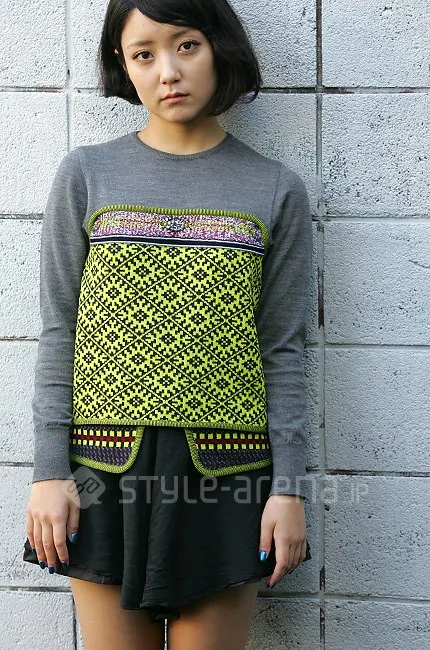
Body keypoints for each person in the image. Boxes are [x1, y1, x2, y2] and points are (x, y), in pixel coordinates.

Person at [22, 0, 313, 648]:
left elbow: (284, 351)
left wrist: (289, 489)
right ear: (123, 65)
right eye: (144, 54)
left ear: (218, 47)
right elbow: (60, 331)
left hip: (229, 476)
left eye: (186, 45)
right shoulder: (86, 175)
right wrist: (47, 472)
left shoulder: (274, 189)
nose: (168, 72)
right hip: (99, 471)